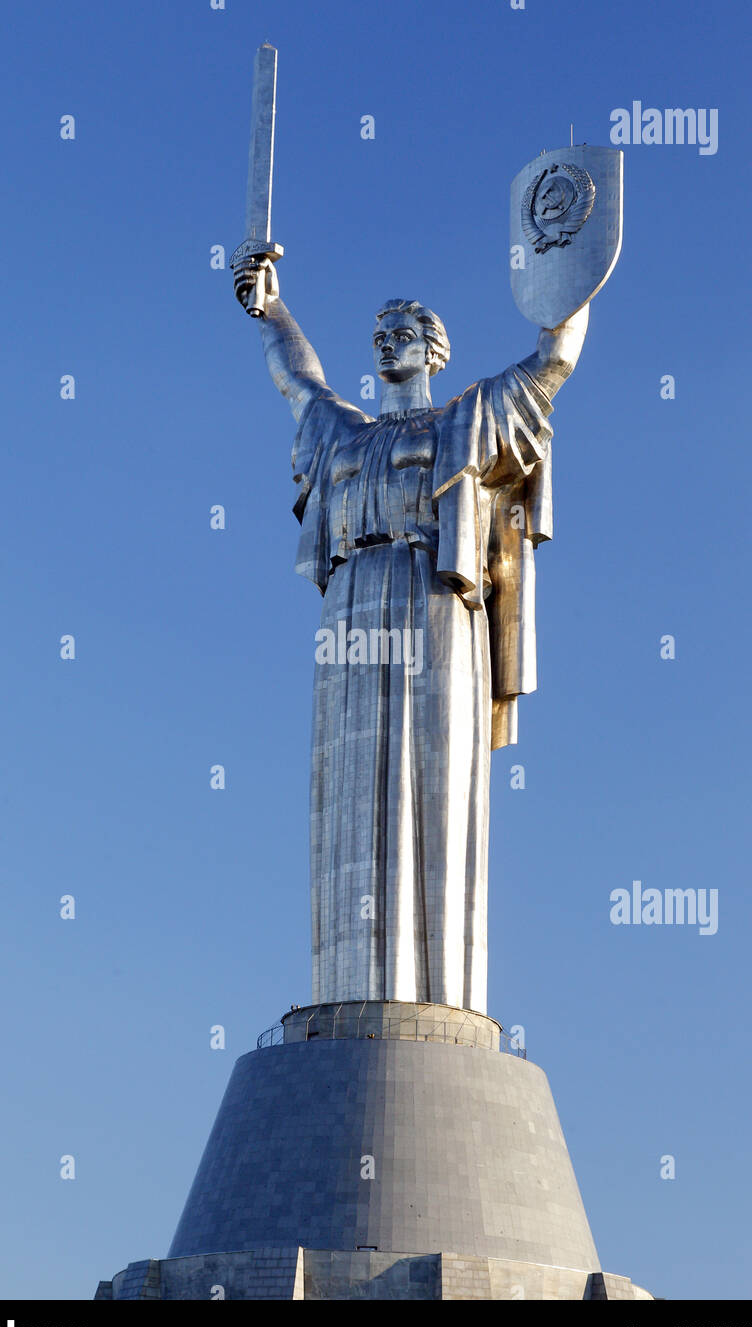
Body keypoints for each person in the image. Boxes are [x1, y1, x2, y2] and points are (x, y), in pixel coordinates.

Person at [234, 257, 588, 1013]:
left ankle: (439, 998)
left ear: (434, 351)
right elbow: (299, 381)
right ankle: (350, 995)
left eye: (403, 333)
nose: (387, 343)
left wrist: (570, 272)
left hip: (436, 594)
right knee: (350, 787)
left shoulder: (468, 417)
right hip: (353, 603)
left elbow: (555, 359)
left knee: (436, 772)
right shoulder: (345, 435)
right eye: (379, 334)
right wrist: (272, 310)